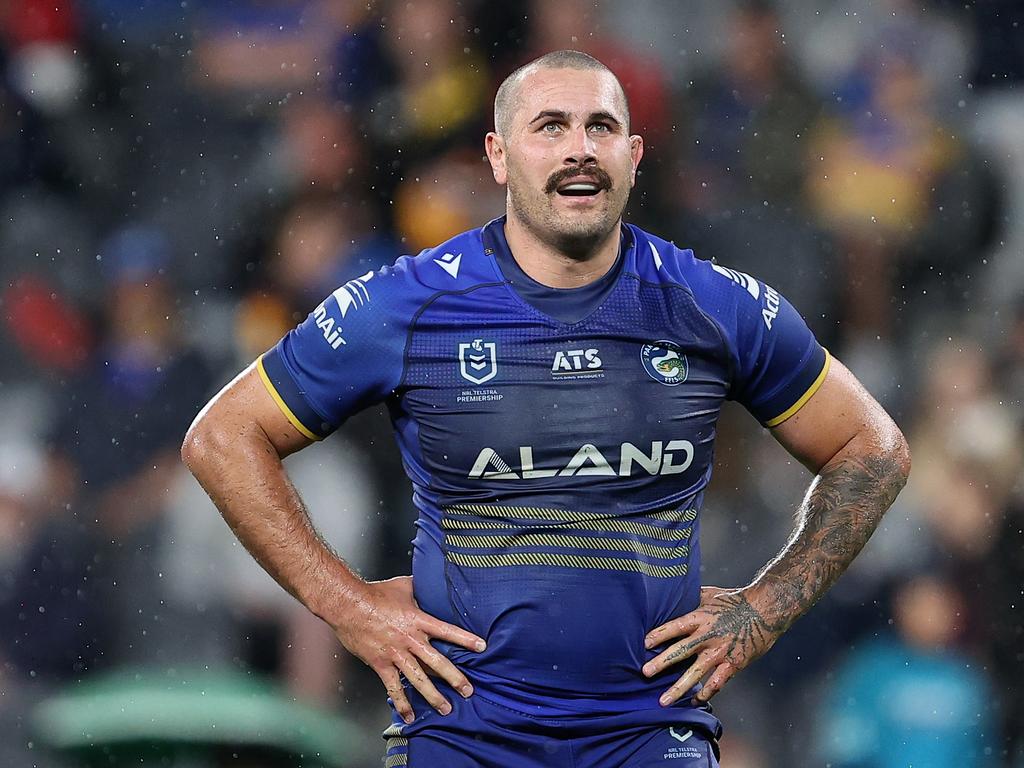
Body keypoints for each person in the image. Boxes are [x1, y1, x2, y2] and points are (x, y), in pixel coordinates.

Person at [182, 50, 911, 768]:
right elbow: (223, 436)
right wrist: (347, 607)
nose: (579, 151)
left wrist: (766, 608)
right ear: (499, 156)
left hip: (649, 735)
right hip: (460, 731)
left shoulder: (710, 304)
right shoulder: (411, 304)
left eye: (600, 128)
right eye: (551, 127)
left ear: (633, 154)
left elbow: (872, 447)